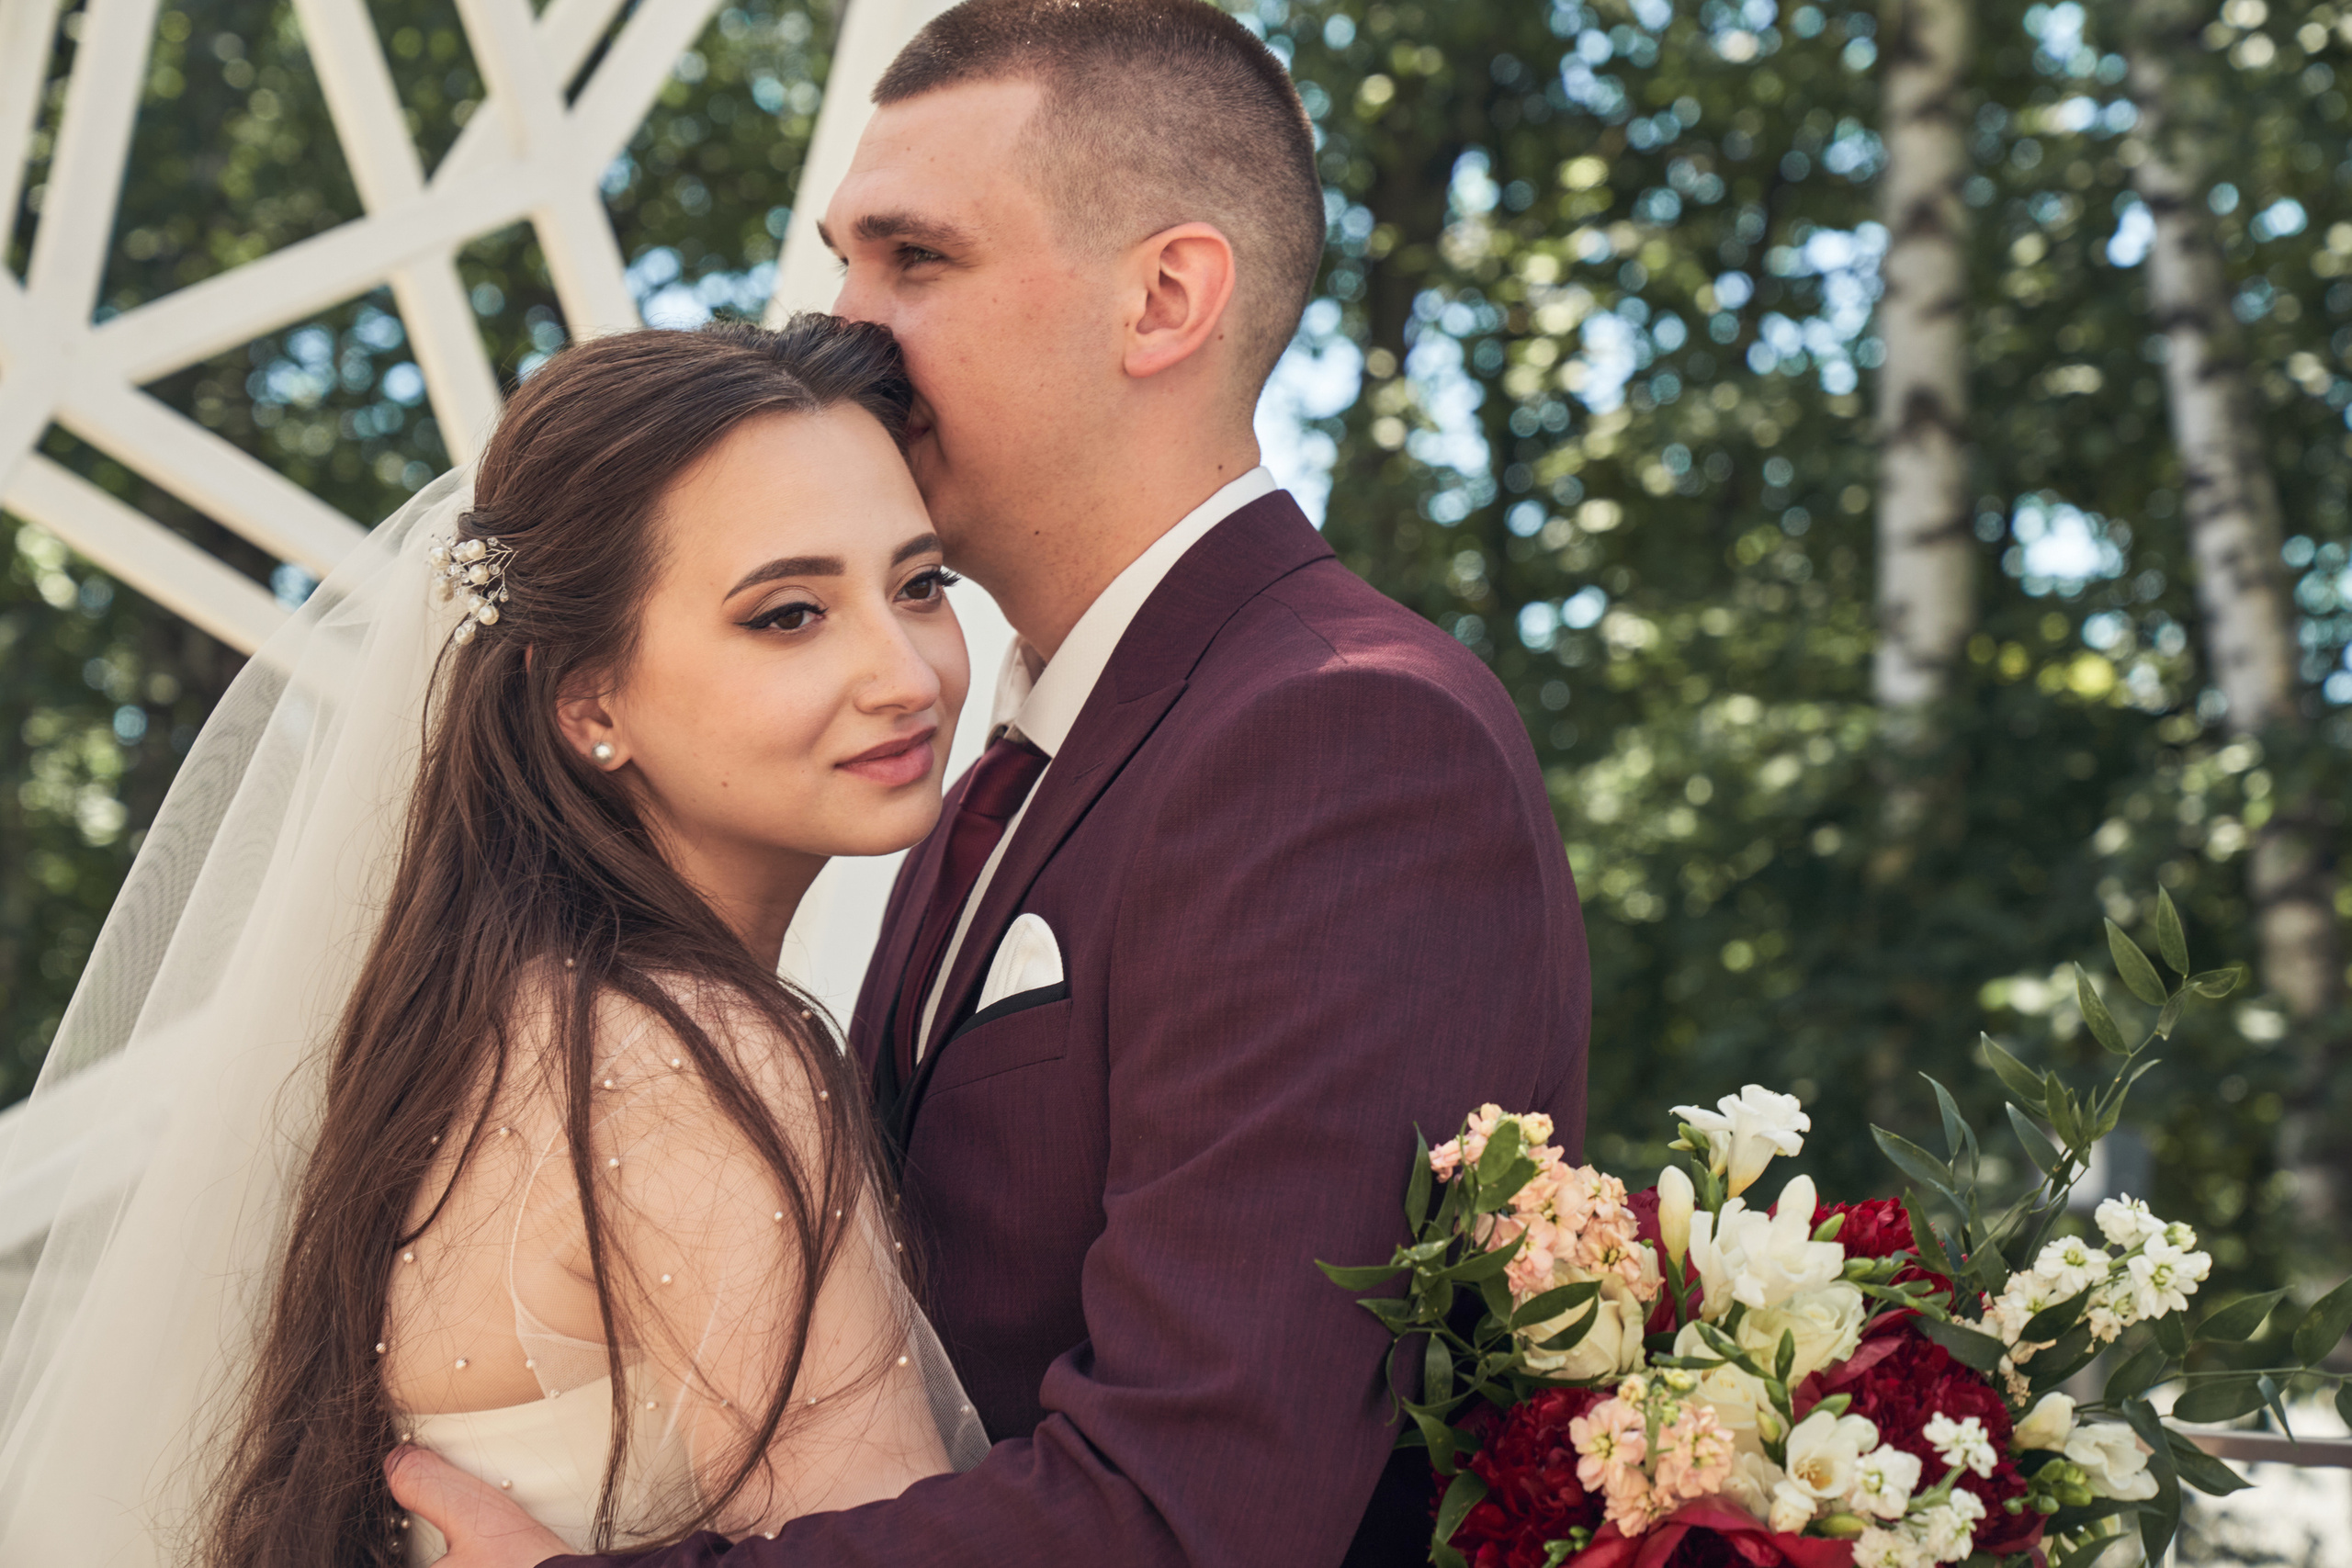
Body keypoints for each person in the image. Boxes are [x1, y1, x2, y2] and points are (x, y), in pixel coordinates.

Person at [390, 1, 1590, 1564]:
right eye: (844, 260)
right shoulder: (1002, 764)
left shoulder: (1345, 740)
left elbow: (1194, 1511)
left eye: (915, 261)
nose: (844, 330)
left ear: (1163, 297)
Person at [0, 316, 989, 1564]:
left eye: (921, 586)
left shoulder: (483, 1022)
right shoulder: (689, 1062)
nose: (905, 672)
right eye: (789, 614)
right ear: (590, 702)